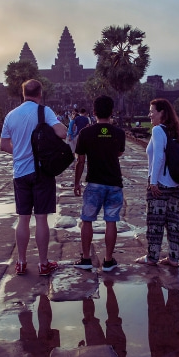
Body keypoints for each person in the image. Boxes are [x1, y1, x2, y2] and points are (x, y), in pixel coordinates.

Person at [0, 79, 67, 277]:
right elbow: (62, 133)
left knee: (23, 218)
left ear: (23, 94)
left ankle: (20, 262)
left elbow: (3, 145)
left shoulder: (10, 115)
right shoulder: (44, 111)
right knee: (41, 218)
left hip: (19, 173)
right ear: (40, 93)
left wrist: (20, 152)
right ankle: (43, 263)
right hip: (41, 172)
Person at [73, 95, 126, 272]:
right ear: (112, 112)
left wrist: (76, 183)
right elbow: (119, 153)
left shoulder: (86, 133)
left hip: (94, 183)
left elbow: (80, 161)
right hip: (114, 183)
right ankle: (108, 261)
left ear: (94, 112)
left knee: (87, 220)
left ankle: (86, 258)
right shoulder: (119, 133)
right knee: (111, 221)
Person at [136, 98, 179, 268]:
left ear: (161, 113)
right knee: (173, 222)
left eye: (152, 111)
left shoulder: (158, 130)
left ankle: (152, 257)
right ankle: (173, 258)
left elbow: (158, 157)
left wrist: (153, 182)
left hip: (160, 184)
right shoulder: (174, 131)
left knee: (155, 221)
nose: (149, 114)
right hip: (174, 184)